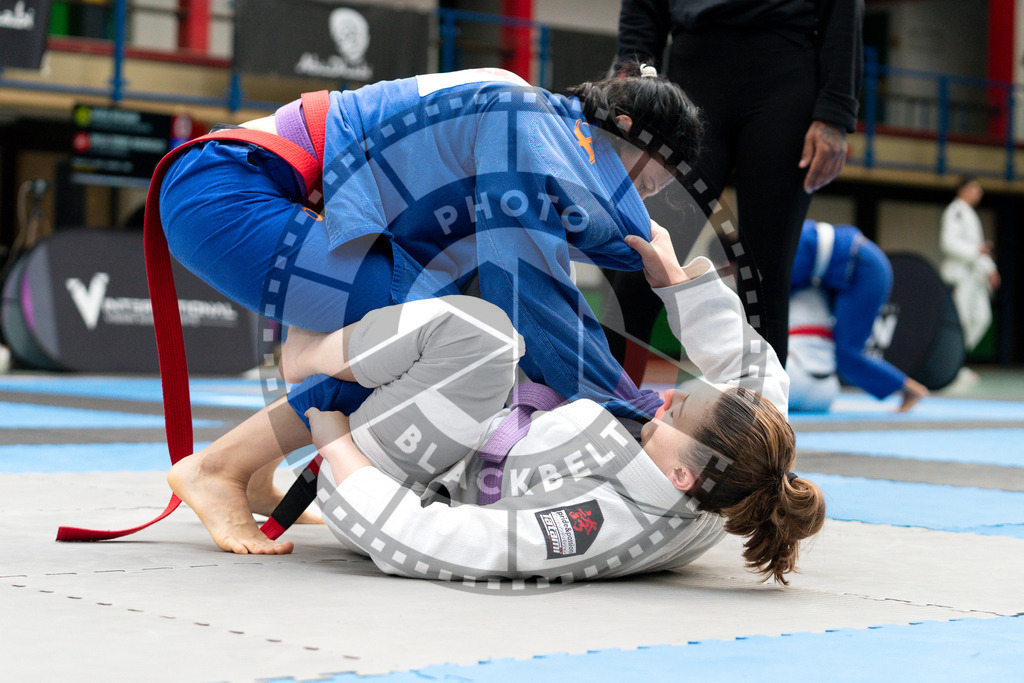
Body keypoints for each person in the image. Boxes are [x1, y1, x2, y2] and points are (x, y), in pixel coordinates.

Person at [156, 63, 704, 554]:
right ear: (625, 130)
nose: (640, 200)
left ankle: (255, 466)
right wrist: (630, 408)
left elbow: (527, 312)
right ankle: (218, 468)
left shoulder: (532, 131)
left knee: (450, 326)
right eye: (646, 182)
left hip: (255, 191)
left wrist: (627, 403)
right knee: (437, 340)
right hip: (228, 189)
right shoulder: (525, 121)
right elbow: (531, 291)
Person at [293, 224, 825, 584]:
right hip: (517, 423)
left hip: (404, 481)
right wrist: (677, 282)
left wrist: (339, 451)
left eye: (679, 412)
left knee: (478, 336)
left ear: (683, 476)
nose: (672, 395)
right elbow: (755, 373)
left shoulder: (601, 522)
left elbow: (446, 543)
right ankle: (513, 198)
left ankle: (304, 354)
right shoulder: (742, 461)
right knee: (521, 253)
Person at [610, 0, 863, 379]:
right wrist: (629, 78)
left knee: (763, 277)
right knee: (639, 257)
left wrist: (836, 110)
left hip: (785, 75)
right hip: (692, 74)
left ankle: (763, 425)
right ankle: (606, 406)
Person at [787, 220, 928, 412]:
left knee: (847, 355)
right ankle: (906, 388)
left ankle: (909, 389)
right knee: (846, 355)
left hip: (865, 269)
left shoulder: (789, 245)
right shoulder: (792, 239)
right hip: (857, 268)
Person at [940, 177, 1000, 353]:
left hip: (975, 276)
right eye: (975, 188)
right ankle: (951, 361)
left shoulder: (970, 213)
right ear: (963, 190)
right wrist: (976, 251)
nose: (979, 193)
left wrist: (991, 270)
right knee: (961, 319)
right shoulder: (955, 211)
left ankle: (957, 359)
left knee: (983, 318)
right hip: (960, 275)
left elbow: (978, 248)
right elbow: (948, 243)